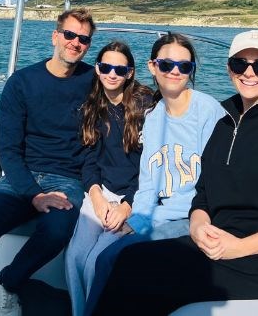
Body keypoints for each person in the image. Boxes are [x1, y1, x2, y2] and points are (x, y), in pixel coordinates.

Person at [93, 30, 258, 315]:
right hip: (215, 240)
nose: (250, 73)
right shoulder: (225, 120)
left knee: (140, 276)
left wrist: (239, 247)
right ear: (230, 69)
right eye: (241, 64)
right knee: (129, 263)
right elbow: (204, 191)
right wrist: (197, 225)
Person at [0, 8, 96, 316]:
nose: (76, 43)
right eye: (70, 34)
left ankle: (9, 280)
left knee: (57, 229)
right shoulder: (22, 82)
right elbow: (8, 150)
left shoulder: (93, 81)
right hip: (20, 176)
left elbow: (130, 95)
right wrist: (33, 194)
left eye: (84, 39)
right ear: (55, 36)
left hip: (67, 178)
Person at [84, 32, 225, 315]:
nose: (174, 71)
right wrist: (137, 218)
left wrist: (148, 219)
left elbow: (215, 185)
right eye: (166, 65)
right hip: (156, 212)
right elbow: (148, 182)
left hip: (194, 215)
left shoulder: (208, 112)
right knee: (104, 258)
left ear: (192, 71)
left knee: (122, 259)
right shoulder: (153, 116)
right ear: (152, 67)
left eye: (184, 66)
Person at [65, 41, 153, 316]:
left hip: (134, 196)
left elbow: (151, 169)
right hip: (101, 192)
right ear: (97, 69)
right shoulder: (92, 104)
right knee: (74, 257)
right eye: (106, 67)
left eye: (119, 69)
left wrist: (127, 205)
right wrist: (95, 195)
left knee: (96, 260)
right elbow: (88, 158)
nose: (112, 74)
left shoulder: (146, 106)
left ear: (130, 73)